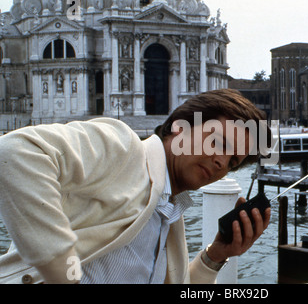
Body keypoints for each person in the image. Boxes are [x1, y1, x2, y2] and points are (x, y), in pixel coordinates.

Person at [0, 89, 271, 284]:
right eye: (218, 142)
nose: (221, 161)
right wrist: (63, 272)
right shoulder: (124, 147)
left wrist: (216, 255)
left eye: (233, 161)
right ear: (180, 128)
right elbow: (15, 151)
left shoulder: (170, 216)